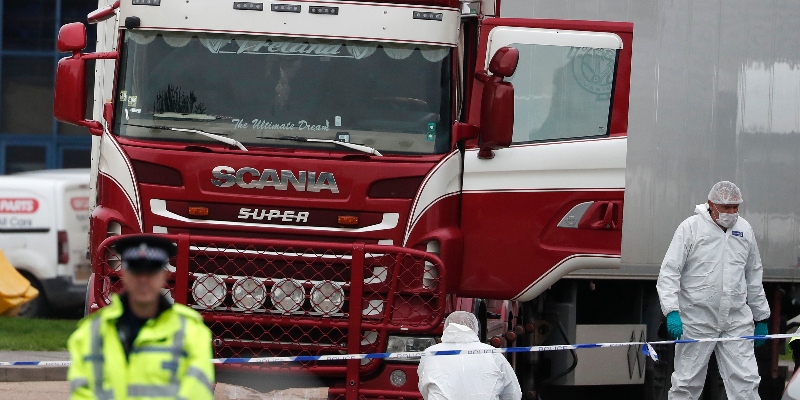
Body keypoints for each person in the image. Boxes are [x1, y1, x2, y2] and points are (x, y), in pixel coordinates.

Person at [656, 181, 770, 400]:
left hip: (736, 319)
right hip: (697, 318)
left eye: (736, 207)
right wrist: (672, 310)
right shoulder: (691, 228)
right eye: (726, 208)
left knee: (747, 382)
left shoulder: (744, 230)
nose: (732, 212)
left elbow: (753, 274)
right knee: (686, 383)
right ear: (711, 204)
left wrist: (761, 316)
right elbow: (670, 271)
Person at [67, 234, 215, 399]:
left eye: (151, 271)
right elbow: (82, 394)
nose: (144, 279)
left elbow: (197, 394)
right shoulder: (90, 333)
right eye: (137, 270)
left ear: (164, 276)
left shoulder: (192, 332)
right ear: (124, 274)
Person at [417, 311, 521, 400]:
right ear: (474, 328)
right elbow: (513, 393)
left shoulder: (431, 353)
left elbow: (424, 388)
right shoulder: (491, 353)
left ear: (446, 327)